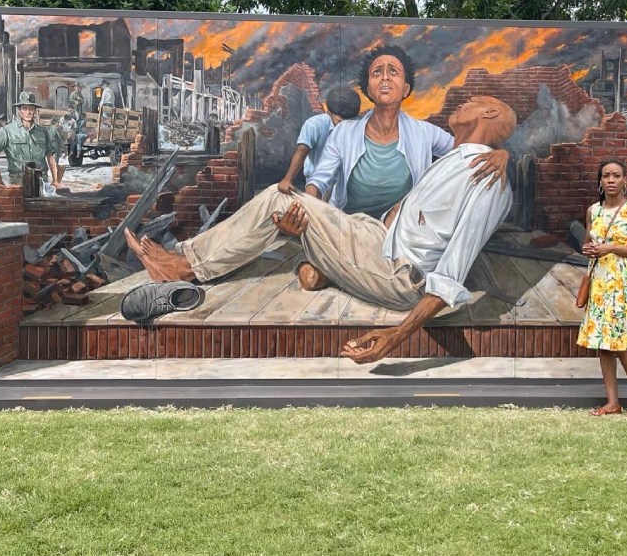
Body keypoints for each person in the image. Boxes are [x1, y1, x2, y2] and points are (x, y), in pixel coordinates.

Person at [126, 95, 517, 364]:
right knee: (294, 209)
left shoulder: (487, 177)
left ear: (490, 113)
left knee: (279, 199)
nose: (464, 103)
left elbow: (451, 273)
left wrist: (396, 336)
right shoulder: (459, 158)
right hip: (375, 238)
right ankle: (321, 265)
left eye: (474, 101)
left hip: (399, 274)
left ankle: (186, 267)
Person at [306, 44, 507, 218]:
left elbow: (464, 153)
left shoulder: (425, 132)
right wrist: (306, 208)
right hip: (347, 226)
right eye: (377, 72)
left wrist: (499, 153)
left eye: (393, 72)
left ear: (405, 89)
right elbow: (320, 179)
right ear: (368, 88)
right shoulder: (344, 132)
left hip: (401, 230)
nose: (385, 77)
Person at [577, 158, 627, 418]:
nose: (611, 180)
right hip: (599, 280)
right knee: (603, 343)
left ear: (624, 180)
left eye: (616, 175)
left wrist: (611, 248)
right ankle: (612, 402)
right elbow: (588, 243)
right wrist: (589, 249)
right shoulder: (593, 211)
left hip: (623, 282)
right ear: (600, 181)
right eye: (606, 175)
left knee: (620, 342)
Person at [277, 85, 362, 196]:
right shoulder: (314, 125)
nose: (344, 126)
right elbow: (301, 151)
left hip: (346, 182)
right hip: (317, 181)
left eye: (349, 121)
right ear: (329, 112)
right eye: (340, 121)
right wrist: (287, 179)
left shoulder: (360, 125)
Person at [0, 91, 62, 187]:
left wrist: (55, 180)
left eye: (31, 109)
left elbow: (50, 156)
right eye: (24, 109)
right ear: (19, 110)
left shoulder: (43, 132)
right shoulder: (7, 131)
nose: (28, 112)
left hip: (41, 180)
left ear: (35, 111)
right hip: (18, 181)